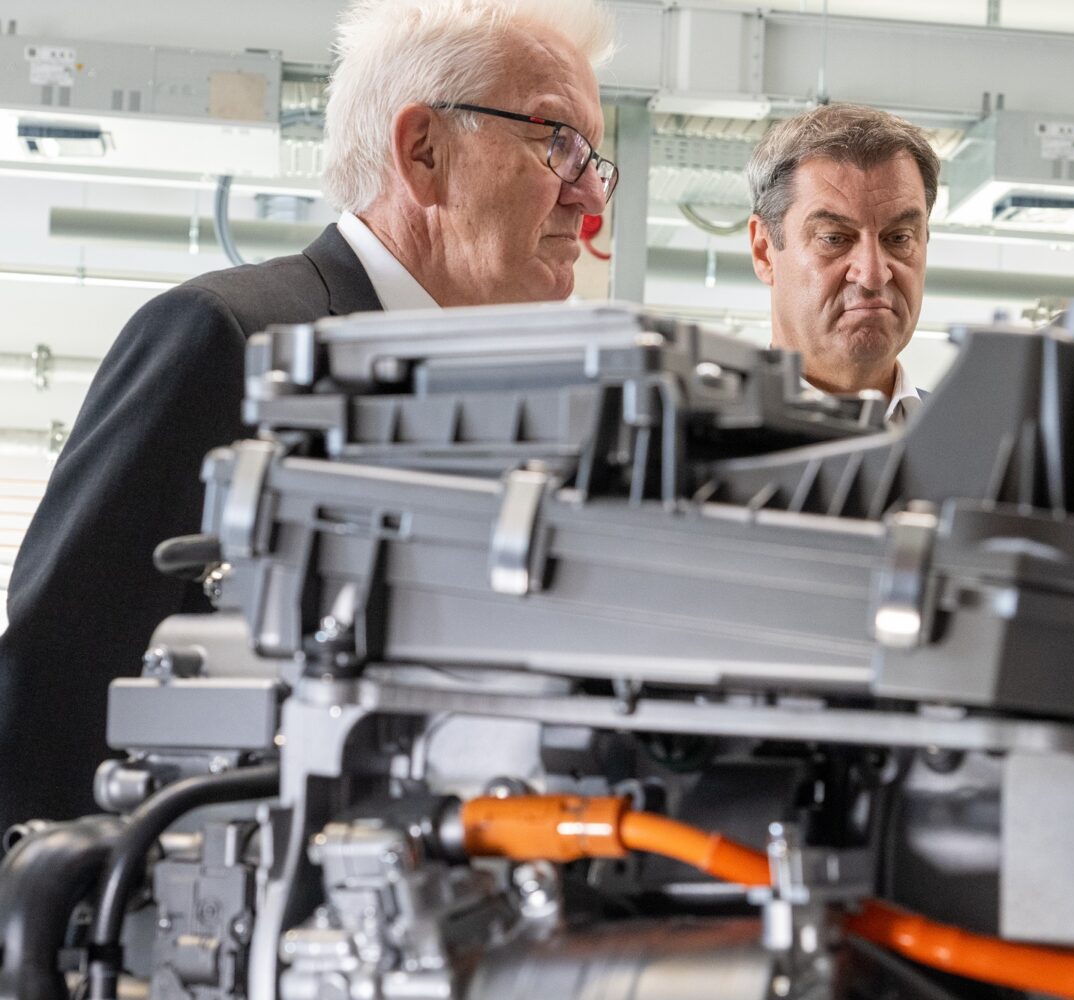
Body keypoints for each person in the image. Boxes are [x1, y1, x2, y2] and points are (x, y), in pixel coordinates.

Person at [0, 0, 616, 826]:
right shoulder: (229, 341)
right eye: (558, 143)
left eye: (595, 160)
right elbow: (57, 681)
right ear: (424, 152)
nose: (588, 198)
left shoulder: (507, 411)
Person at [745, 103, 940, 426]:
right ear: (764, 250)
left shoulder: (977, 446)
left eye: (899, 238)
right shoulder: (692, 445)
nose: (873, 274)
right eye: (835, 239)